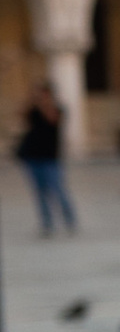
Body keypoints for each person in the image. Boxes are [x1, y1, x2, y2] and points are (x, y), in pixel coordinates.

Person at [15, 84, 73, 235]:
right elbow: (22, 117)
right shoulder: (33, 110)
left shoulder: (58, 109)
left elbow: (51, 119)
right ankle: (47, 223)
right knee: (40, 192)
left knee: (57, 189)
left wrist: (44, 104)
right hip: (33, 157)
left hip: (50, 157)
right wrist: (30, 101)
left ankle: (69, 218)